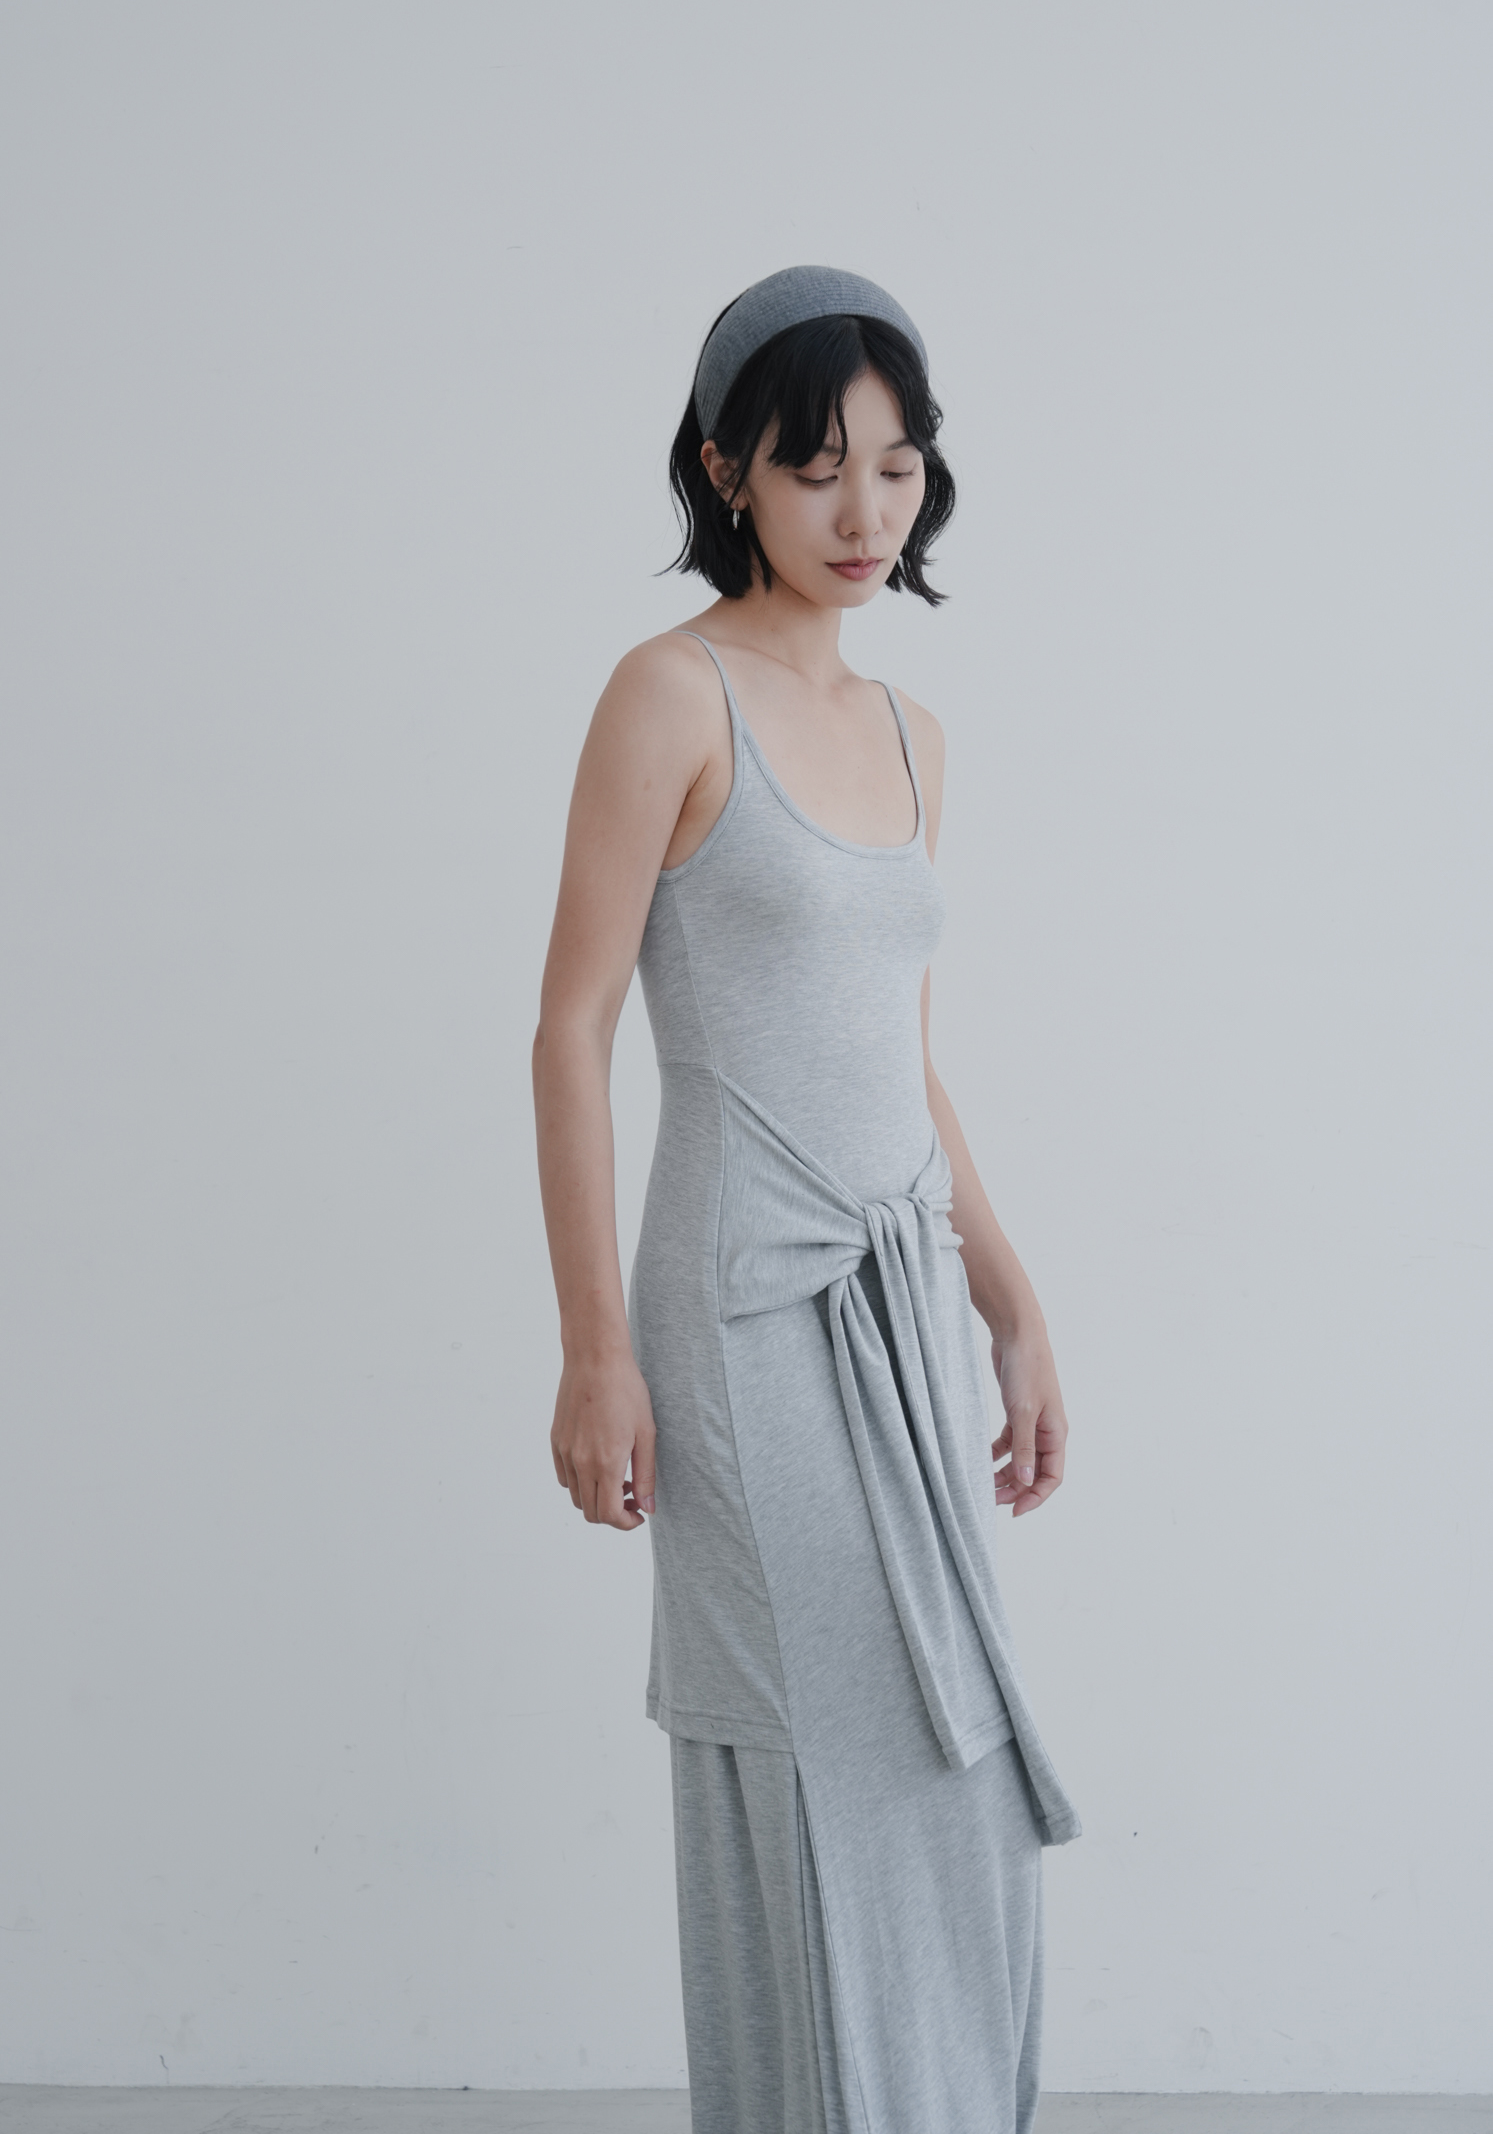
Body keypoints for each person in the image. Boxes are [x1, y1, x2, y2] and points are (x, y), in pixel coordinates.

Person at [532, 265, 1079, 2134]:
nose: (863, 512)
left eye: (895, 467)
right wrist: (594, 1353)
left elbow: (900, 1055)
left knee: (950, 1763)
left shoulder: (917, 733)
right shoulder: (667, 693)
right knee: (815, 1761)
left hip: (902, 1309)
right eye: (814, 467)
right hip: (741, 1311)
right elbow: (569, 1029)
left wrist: (1009, 1302)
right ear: (727, 472)